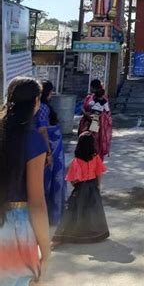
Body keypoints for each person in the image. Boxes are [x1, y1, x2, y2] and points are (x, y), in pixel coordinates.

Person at [0, 77, 50, 285]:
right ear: (36, 101)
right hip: (15, 230)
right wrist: (46, 250)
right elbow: (37, 202)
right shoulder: (33, 141)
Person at [52, 132, 109, 246]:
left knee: (73, 211)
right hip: (92, 186)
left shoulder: (76, 161)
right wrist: (97, 185)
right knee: (93, 211)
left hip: (81, 187)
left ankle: (62, 236)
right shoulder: (96, 158)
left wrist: (77, 187)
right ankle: (95, 234)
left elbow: (73, 179)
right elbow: (99, 173)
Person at [35, 81, 66, 226]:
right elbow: (43, 131)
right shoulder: (43, 107)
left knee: (50, 180)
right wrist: (48, 153)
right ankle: (50, 215)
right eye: (51, 91)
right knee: (51, 180)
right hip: (51, 148)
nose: (52, 94)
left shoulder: (38, 107)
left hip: (52, 147)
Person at [78, 80, 112, 160]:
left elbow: (107, 113)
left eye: (92, 87)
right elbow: (83, 108)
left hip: (97, 125)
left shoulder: (103, 99)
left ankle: (95, 163)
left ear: (94, 88)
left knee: (94, 144)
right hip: (86, 124)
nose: (91, 89)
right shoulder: (89, 97)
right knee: (85, 142)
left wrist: (97, 117)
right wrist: (86, 113)